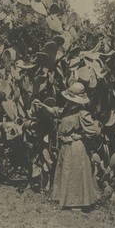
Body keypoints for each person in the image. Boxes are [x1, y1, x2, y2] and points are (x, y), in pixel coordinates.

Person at [33, 82, 99, 211]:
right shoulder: (68, 109)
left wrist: (80, 136)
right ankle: (65, 200)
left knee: (75, 173)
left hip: (75, 147)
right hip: (66, 145)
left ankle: (77, 203)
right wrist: (43, 105)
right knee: (67, 171)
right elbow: (55, 112)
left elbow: (93, 130)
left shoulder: (82, 113)